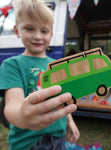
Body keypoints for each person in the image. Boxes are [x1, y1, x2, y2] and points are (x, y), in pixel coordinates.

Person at [0, 0, 80, 149]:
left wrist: (70, 121)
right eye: (29, 29)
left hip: (58, 138)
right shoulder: (12, 65)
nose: (37, 36)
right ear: (17, 31)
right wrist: (21, 118)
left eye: (44, 31)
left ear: (51, 34)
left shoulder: (57, 66)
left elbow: (63, 98)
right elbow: (12, 106)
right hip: (28, 142)